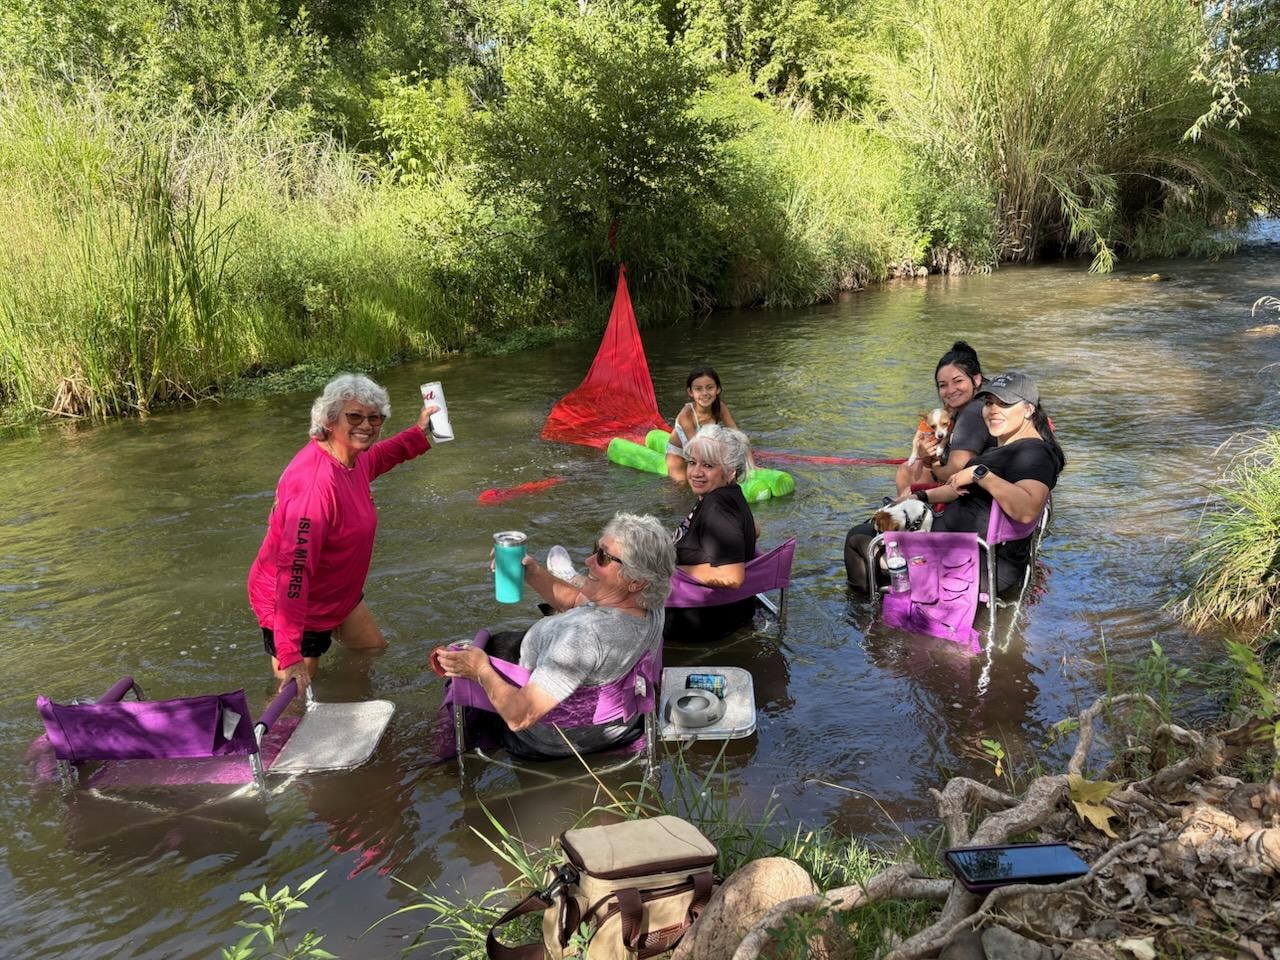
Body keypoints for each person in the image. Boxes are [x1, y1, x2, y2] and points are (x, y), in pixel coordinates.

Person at [247, 374, 439, 693]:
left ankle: (349, 703)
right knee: (295, 696)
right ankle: (275, 740)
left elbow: (377, 458)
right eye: (355, 416)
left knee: (370, 650)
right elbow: (293, 574)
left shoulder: (351, 456)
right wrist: (290, 653)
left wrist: (418, 432)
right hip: (298, 608)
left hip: (338, 593)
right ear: (330, 419)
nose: (367, 424)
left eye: (375, 417)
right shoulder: (315, 487)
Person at [436, 513, 675, 759]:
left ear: (636, 582)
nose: (589, 560)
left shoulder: (583, 637)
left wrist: (479, 671)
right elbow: (575, 601)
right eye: (597, 548)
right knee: (502, 643)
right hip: (621, 726)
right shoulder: (651, 605)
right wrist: (533, 573)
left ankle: (443, 759)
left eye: (603, 557)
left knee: (463, 662)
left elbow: (520, 716)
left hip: (550, 739)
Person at [846, 371, 1064, 594]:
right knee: (881, 520)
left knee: (858, 537)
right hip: (962, 551)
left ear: (1029, 409)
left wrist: (979, 474)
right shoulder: (1012, 449)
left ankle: (869, 615)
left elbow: (1026, 511)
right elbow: (959, 490)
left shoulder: (1034, 453)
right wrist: (920, 496)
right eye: (989, 403)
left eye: (1004, 404)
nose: (993, 410)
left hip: (965, 564)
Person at [666, 424, 759, 642]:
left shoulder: (717, 507)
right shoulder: (729, 494)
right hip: (723, 612)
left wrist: (671, 570)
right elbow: (755, 529)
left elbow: (731, 577)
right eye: (692, 462)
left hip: (699, 620)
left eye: (707, 465)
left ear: (730, 471)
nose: (696, 473)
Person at [894, 341, 994, 497]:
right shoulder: (967, 408)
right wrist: (925, 454)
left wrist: (932, 463)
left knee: (906, 481)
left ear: (977, 380)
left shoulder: (973, 413)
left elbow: (953, 472)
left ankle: (906, 515)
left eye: (958, 381)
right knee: (905, 470)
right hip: (967, 480)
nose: (951, 390)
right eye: (943, 385)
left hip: (970, 489)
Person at [666, 366, 738, 485]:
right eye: (698, 389)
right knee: (682, 485)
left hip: (703, 449)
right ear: (690, 392)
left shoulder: (720, 407)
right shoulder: (686, 415)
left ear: (718, 389)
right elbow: (696, 449)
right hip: (681, 454)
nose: (704, 393)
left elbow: (737, 435)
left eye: (710, 387)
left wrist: (751, 465)